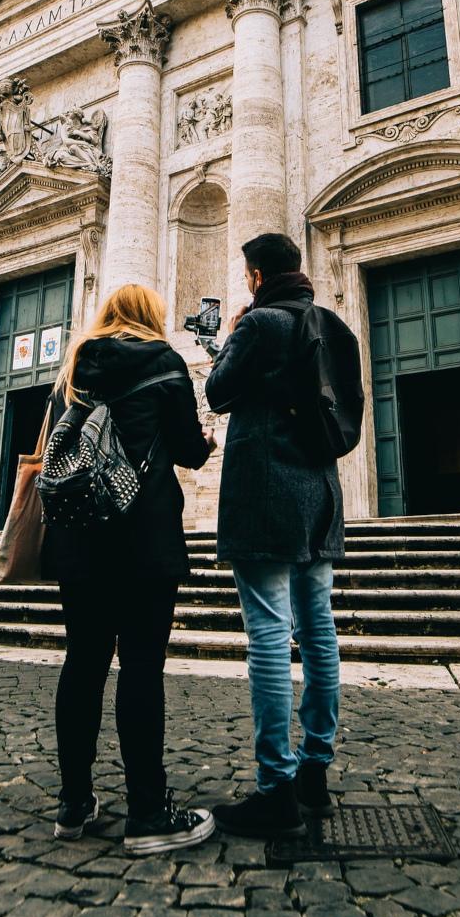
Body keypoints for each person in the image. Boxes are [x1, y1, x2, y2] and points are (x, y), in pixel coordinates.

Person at [41, 283, 218, 855]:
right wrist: (205, 441)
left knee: (83, 661)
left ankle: (73, 804)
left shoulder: (73, 369)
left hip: (78, 536)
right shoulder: (164, 362)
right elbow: (188, 450)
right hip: (143, 535)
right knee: (141, 665)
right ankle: (147, 811)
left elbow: (53, 449)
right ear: (152, 317)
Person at [205, 233, 345, 837]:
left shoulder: (260, 323)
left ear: (257, 275)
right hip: (319, 492)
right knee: (317, 630)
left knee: (267, 632)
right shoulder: (332, 324)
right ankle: (315, 769)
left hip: (266, 490)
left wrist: (234, 332)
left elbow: (217, 392)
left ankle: (275, 789)